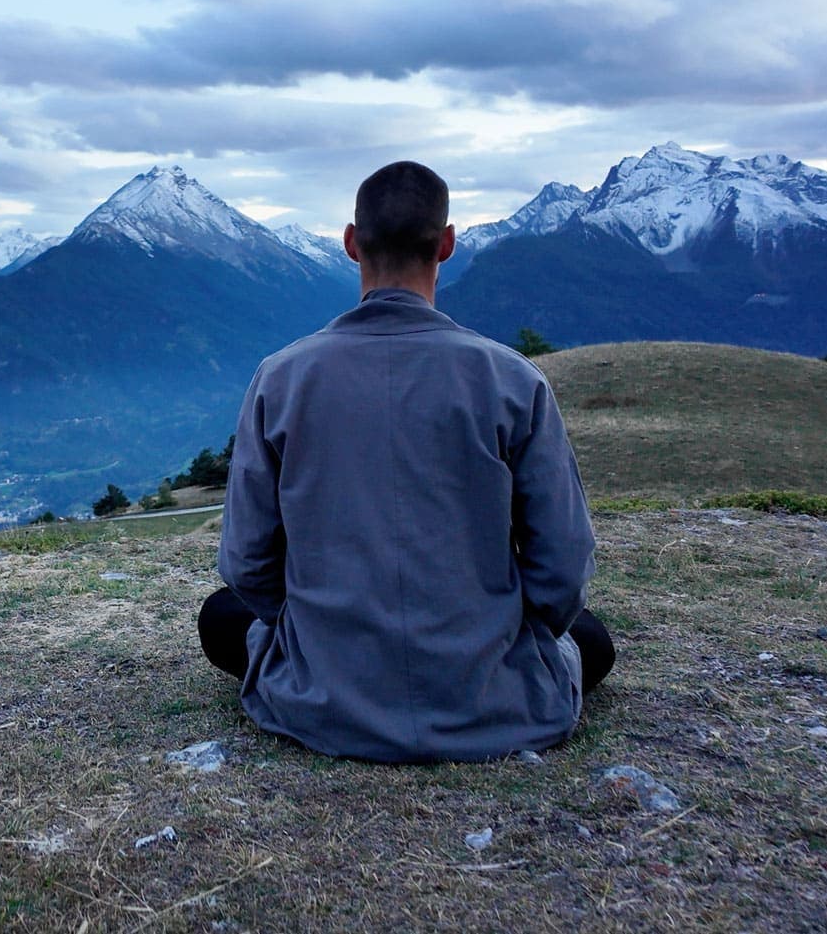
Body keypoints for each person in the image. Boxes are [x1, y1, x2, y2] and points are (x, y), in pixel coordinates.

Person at [197, 160, 614, 763]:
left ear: (349, 243)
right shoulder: (513, 380)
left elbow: (244, 561)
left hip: (325, 692)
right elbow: (564, 567)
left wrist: (309, 629)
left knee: (221, 617)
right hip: (484, 686)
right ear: (446, 244)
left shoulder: (280, 379)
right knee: (592, 638)